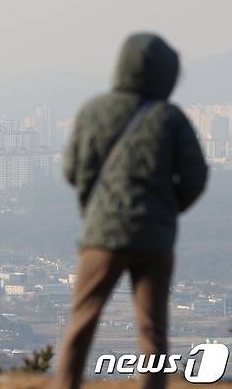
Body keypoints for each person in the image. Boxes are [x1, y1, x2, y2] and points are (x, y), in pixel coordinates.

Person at [54, 33, 208, 389]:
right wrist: (168, 209)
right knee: (152, 329)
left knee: (82, 321)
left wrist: (96, 206)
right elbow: (196, 177)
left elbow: (71, 168)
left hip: (101, 236)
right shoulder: (171, 118)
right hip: (154, 239)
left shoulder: (95, 110)